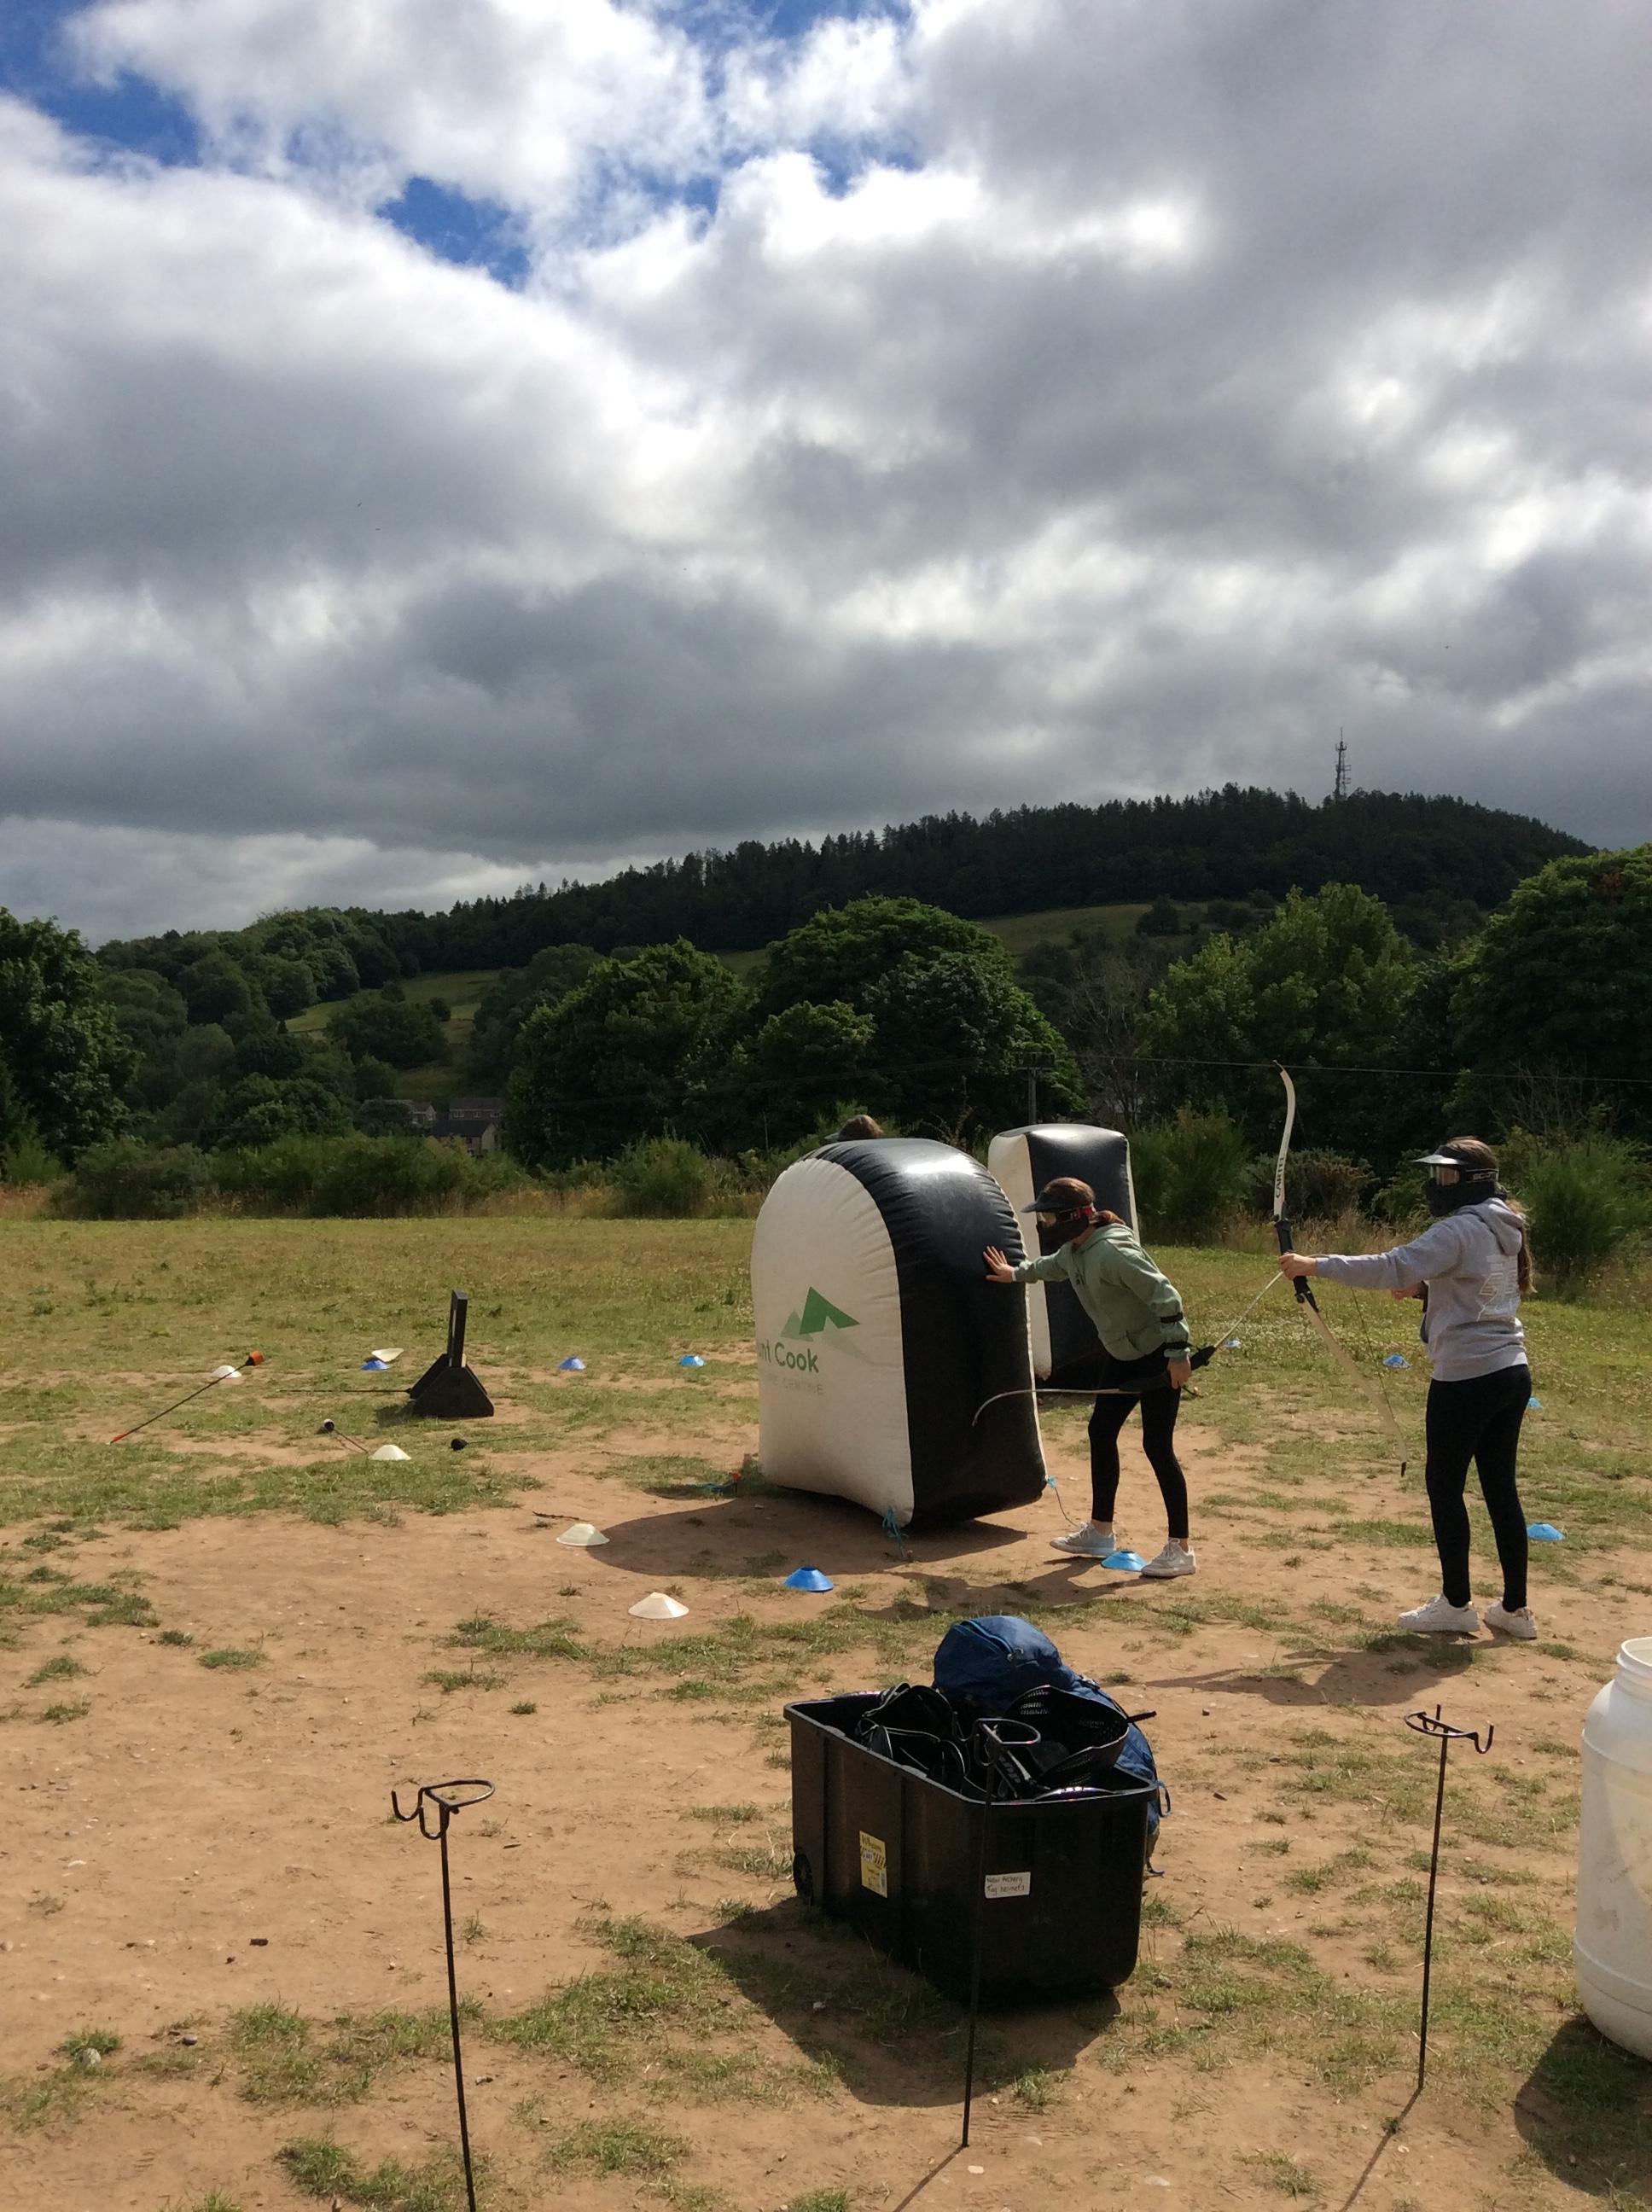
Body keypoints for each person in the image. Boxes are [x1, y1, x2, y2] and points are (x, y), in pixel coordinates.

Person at [1280, 1137, 1537, 1640]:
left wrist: (1315, 1265)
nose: (1436, 1185)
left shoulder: (1460, 1227)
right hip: (1510, 1372)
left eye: (1446, 1176)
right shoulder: (1503, 1222)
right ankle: (1514, 1609)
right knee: (1500, 1487)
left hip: (1467, 1377)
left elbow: (1392, 1265)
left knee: (1444, 1486)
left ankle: (1457, 1604)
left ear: (1472, 1182)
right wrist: (1428, 1287)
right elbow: (1476, 1283)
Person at [984, 1177, 1196, 1578]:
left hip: (1157, 1357)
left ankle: (1180, 1549)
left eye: (1049, 1217)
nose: (1045, 1225)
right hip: (1122, 1355)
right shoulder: (1076, 1251)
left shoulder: (1114, 1251)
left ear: (1072, 1217)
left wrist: (1178, 1355)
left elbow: (1166, 1296)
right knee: (1100, 1431)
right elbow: (1050, 1267)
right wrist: (1014, 1274)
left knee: (1157, 1446)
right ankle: (1100, 1532)